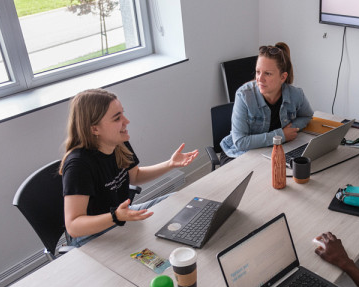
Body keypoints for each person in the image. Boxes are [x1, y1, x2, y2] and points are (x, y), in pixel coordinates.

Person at [60, 88, 198, 246]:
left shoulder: (118, 142)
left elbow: (135, 176)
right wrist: (116, 217)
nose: (126, 121)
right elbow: (73, 227)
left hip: (120, 217)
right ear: (94, 129)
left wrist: (170, 164)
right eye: (117, 118)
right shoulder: (78, 165)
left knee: (182, 200)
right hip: (92, 235)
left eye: (122, 113)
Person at [219, 42, 313, 162]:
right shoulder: (243, 95)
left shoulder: (296, 94)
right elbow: (240, 142)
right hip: (240, 154)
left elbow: (307, 115)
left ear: (283, 77)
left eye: (267, 74)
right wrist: (281, 136)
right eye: (258, 72)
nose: (260, 79)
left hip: (271, 151)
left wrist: (292, 129)